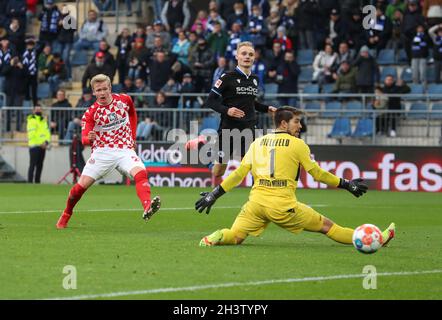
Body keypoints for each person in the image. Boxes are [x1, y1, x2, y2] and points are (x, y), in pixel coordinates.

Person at [195, 106, 396, 248]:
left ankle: (217, 236)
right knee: (328, 226)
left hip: (255, 204)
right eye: (297, 122)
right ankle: (376, 238)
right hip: (283, 206)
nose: (300, 126)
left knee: (236, 236)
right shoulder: (297, 144)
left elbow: (238, 174)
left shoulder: (257, 143)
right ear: (284, 123)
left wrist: (214, 194)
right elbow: (317, 174)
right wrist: (346, 184)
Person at [55, 74, 161, 229]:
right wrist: (88, 138)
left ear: (110, 88)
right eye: (99, 90)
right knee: (79, 188)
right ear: (94, 92)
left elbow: (132, 113)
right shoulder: (91, 113)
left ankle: (147, 206)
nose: (102, 93)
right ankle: (66, 214)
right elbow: (84, 138)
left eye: (105, 89)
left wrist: (132, 137)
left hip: (124, 149)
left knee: (141, 173)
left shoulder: (124, 100)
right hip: (102, 152)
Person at [186, 41, 277, 179]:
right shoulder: (227, 77)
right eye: (244, 53)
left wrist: (266, 108)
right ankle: (201, 144)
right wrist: (227, 110)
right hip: (229, 128)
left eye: (250, 54)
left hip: (248, 128)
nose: (247, 57)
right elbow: (210, 101)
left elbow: (251, 102)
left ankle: (259, 199)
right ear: (237, 56)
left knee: (252, 168)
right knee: (218, 172)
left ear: (254, 58)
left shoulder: (255, 79)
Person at [27, 105, 51, 183]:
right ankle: (30, 182)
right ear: (33, 111)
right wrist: (41, 143)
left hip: (42, 146)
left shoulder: (43, 121)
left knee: (40, 165)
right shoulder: (31, 120)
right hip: (34, 146)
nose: (38, 111)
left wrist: (46, 142)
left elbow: (47, 133)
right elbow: (32, 134)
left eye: (39, 109)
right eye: (37, 109)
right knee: (32, 165)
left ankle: (37, 182)